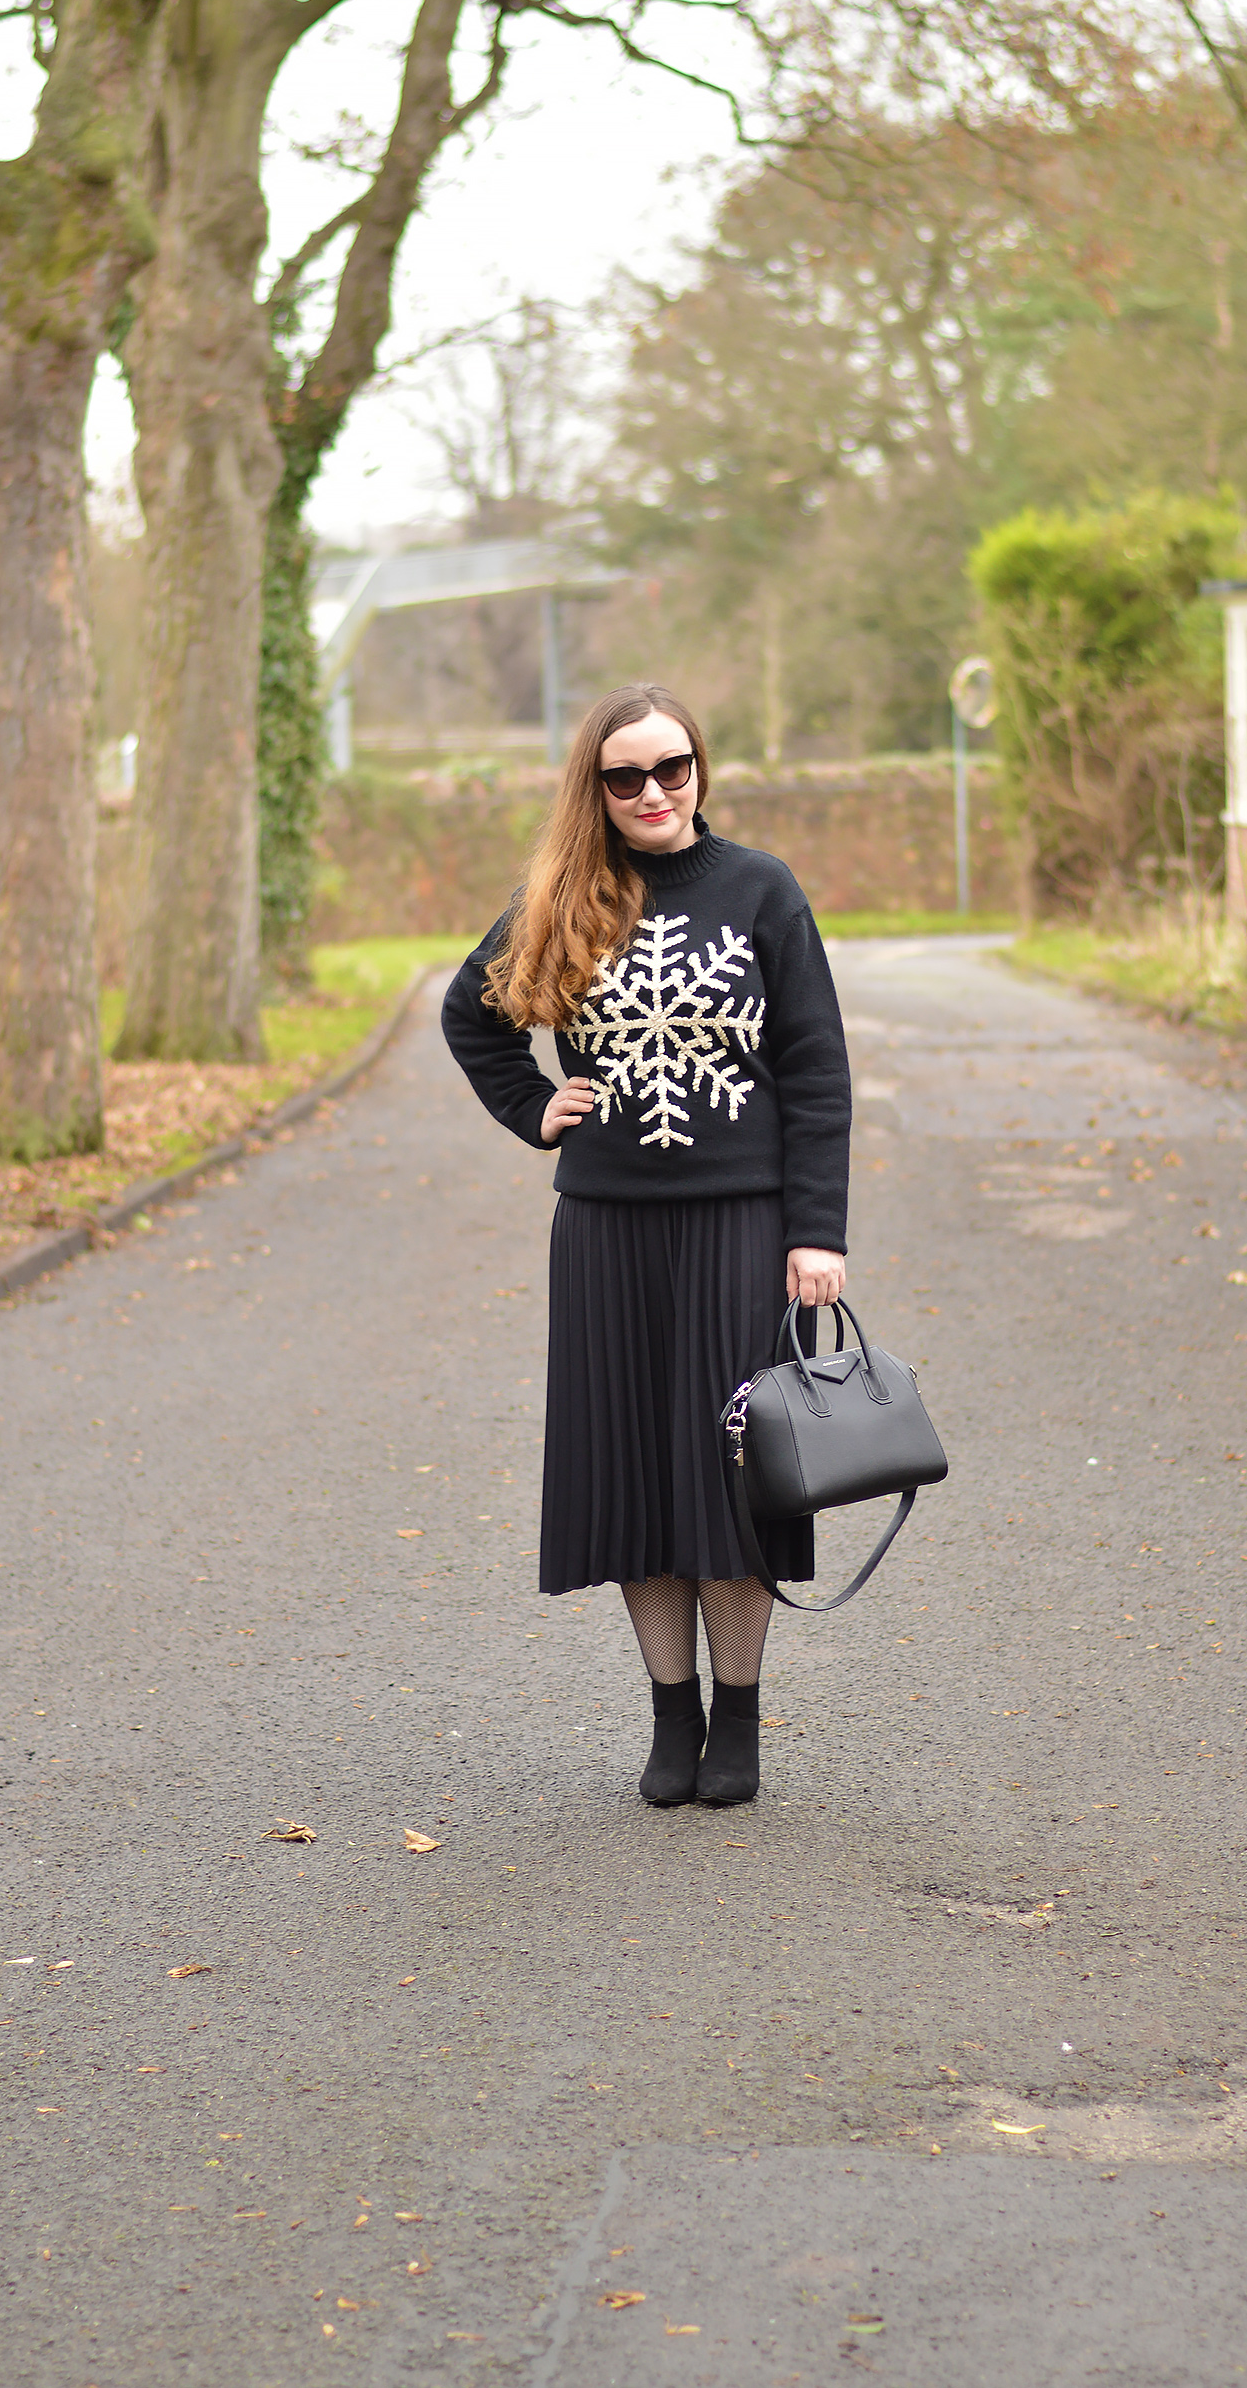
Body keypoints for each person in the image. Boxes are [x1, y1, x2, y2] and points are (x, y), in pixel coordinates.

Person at [441, 683, 852, 1808]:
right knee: (635, 1472)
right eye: (627, 777)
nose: (656, 792)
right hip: (609, 1230)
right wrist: (535, 1109)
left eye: (674, 768)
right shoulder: (566, 895)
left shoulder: (762, 889)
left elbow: (816, 1066)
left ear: (700, 768)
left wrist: (818, 1230)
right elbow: (469, 1014)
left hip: (744, 1223)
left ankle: (739, 1719)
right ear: (598, 789)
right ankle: (671, 1716)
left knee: (736, 1480)